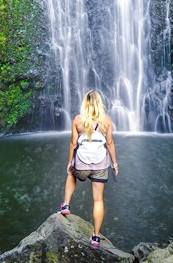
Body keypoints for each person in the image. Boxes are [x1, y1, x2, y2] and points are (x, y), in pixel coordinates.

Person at [58, 90, 118, 248]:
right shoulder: (106, 121)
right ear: (100, 103)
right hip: (100, 165)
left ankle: (66, 205)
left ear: (85, 103)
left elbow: (73, 143)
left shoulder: (78, 120)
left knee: (71, 173)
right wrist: (115, 164)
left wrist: (70, 162)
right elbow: (110, 143)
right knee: (98, 200)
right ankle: (96, 236)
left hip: (82, 164)